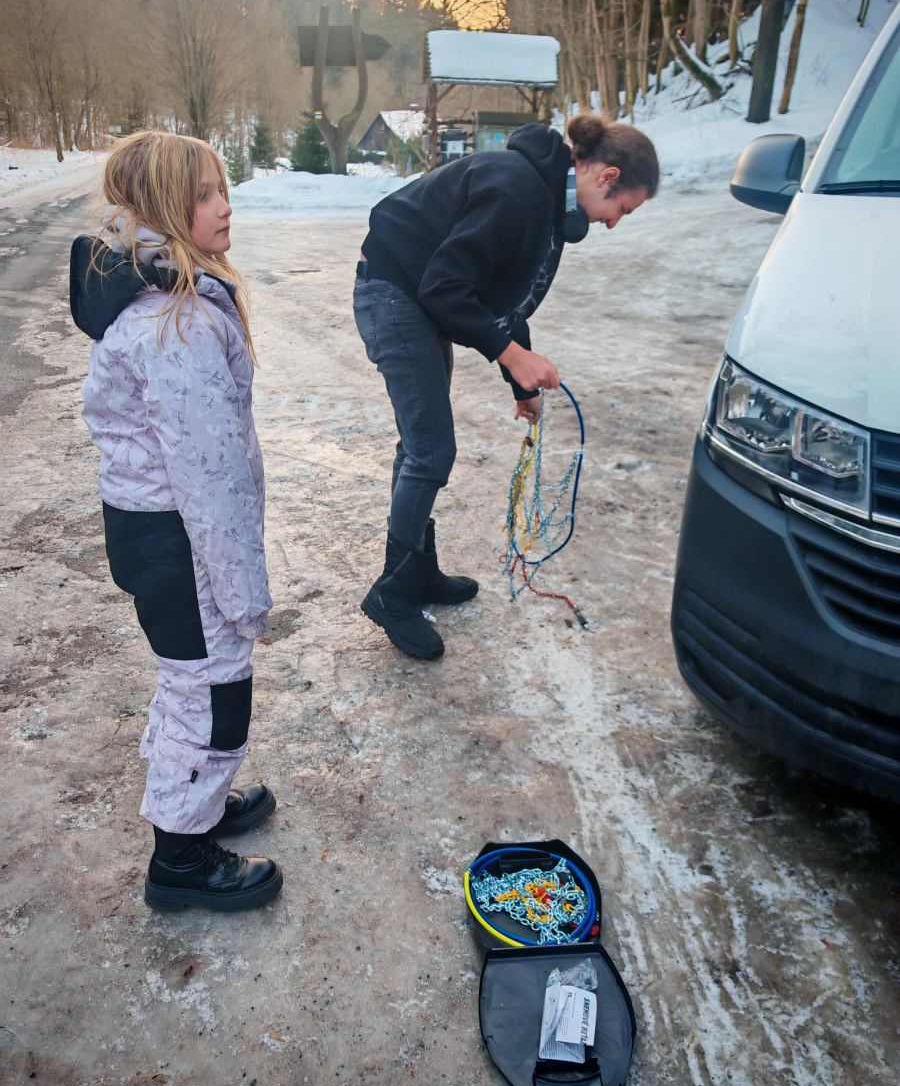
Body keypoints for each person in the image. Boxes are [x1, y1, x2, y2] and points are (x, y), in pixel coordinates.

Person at [353, 113, 659, 660]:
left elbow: (505, 300)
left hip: (418, 298)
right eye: (623, 210)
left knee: (421, 445)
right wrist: (514, 357)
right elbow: (445, 288)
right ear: (607, 177)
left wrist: (518, 383)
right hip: (394, 291)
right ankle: (392, 593)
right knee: (431, 450)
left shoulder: (550, 206)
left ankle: (416, 569)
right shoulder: (517, 190)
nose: (614, 223)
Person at [70, 131, 282, 912]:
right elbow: (210, 477)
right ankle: (181, 860)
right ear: (162, 209)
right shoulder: (176, 324)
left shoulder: (159, 300)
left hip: (153, 531)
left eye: (222, 189)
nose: (224, 207)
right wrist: (243, 591)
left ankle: (197, 803)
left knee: (187, 678)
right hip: (182, 539)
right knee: (213, 694)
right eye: (202, 195)